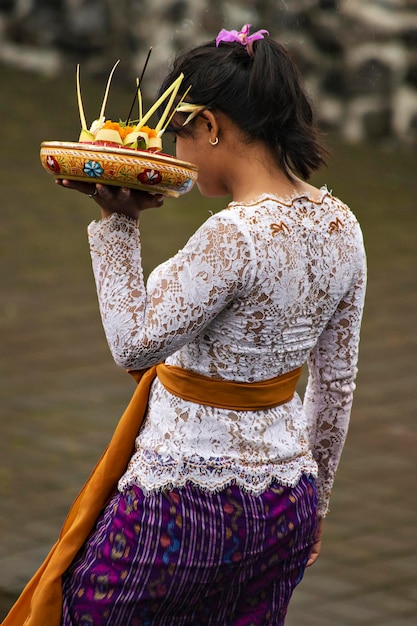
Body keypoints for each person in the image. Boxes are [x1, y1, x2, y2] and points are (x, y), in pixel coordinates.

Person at [5, 24, 366, 626]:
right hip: (286, 504)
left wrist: (116, 220)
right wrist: (317, 506)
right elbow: (336, 387)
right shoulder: (342, 225)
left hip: (186, 505)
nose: (174, 155)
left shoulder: (233, 234)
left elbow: (132, 345)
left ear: (212, 127)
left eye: (178, 134)